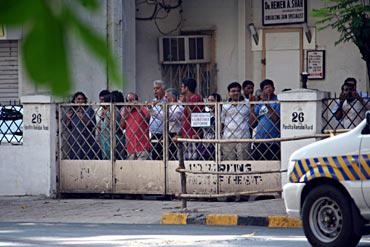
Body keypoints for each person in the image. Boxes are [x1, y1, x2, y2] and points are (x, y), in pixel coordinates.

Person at [250, 79, 280, 160]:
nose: (268, 90)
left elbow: (276, 120)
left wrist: (267, 104)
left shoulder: (278, 101)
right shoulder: (260, 103)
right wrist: (253, 105)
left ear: (274, 88)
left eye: (270, 87)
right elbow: (252, 123)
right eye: (265, 88)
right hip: (259, 140)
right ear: (262, 91)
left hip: (273, 140)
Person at [65, 91, 100, 160]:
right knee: (75, 158)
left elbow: (92, 124)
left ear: (85, 100)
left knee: (87, 157)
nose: (80, 101)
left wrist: (82, 117)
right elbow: (68, 126)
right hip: (75, 139)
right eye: (78, 99)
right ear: (74, 100)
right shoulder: (72, 111)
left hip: (87, 139)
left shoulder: (89, 110)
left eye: (82, 99)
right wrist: (68, 119)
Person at [221, 82, 250, 160]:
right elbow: (222, 121)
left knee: (243, 162)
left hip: (243, 137)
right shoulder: (225, 105)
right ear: (229, 93)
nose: (236, 93)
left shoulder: (247, 103)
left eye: (237, 91)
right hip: (228, 137)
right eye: (233, 91)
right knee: (229, 162)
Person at [120, 93, 151, 160]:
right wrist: (126, 111)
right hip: (130, 148)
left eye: (131, 100)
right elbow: (122, 126)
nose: (130, 103)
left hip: (142, 147)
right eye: (128, 101)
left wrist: (138, 107)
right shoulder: (126, 112)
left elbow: (146, 119)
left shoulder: (143, 109)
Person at [180, 78, 203, 160]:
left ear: (187, 88)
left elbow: (194, 119)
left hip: (192, 135)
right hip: (186, 135)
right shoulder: (189, 99)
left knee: (192, 161)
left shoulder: (195, 98)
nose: (181, 88)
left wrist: (186, 103)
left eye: (182, 86)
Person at [149, 80, 167, 160]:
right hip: (153, 133)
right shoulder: (153, 101)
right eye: (154, 88)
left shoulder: (166, 101)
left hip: (163, 133)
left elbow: (165, 115)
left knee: (163, 157)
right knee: (155, 157)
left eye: (157, 88)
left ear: (163, 90)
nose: (155, 90)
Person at [202, 93, 222, 160]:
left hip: (218, 141)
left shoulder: (221, 113)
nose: (210, 102)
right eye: (209, 100)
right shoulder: (205, 113)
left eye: (212, 100)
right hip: (206, 142)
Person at [166, 88, 183, 160]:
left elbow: (170, 117)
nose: (165, 99)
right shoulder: (170, 107)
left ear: (173, 97)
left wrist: (154, 111)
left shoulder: (178, 108)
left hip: (176, 134)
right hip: (170, 133)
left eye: (167, 97)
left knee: (175, 157)